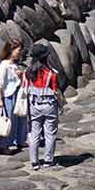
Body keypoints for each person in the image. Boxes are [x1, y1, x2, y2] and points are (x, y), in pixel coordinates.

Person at [24, 42, 64, 171]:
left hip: (34, 105)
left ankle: (34, 162)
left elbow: (25, 88)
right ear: (45, 57)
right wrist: (61, 104)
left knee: (34, 133)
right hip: (49, 105)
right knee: (50, 133)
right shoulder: (51, 74)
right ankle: (48, 160)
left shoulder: (28, 72)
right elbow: (56, 91)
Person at [0, 39, 28, 154]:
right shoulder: (4, 65)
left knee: (19, 119)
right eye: (18, 50)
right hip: (7, 96)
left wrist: (21, 76)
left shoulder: (14, 65)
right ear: (11, 50)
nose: (19, 52)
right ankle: (3, 145)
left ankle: (19, 140)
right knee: (7, 121)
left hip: (16, 95)